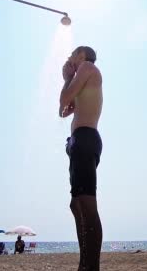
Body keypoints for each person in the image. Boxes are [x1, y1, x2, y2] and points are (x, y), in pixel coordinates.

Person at [59, 46, 103, 271]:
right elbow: (63, 109)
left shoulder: (87, 67)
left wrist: (67, 78)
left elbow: (64, 97)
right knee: (76, 203)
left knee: (86, 202)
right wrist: (70, 89)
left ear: (82, 56)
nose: (69, 59)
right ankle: (84, 264)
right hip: (79, 140)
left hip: (85, 138)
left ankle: (90, 266)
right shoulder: (83, 80)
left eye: (72, 55)